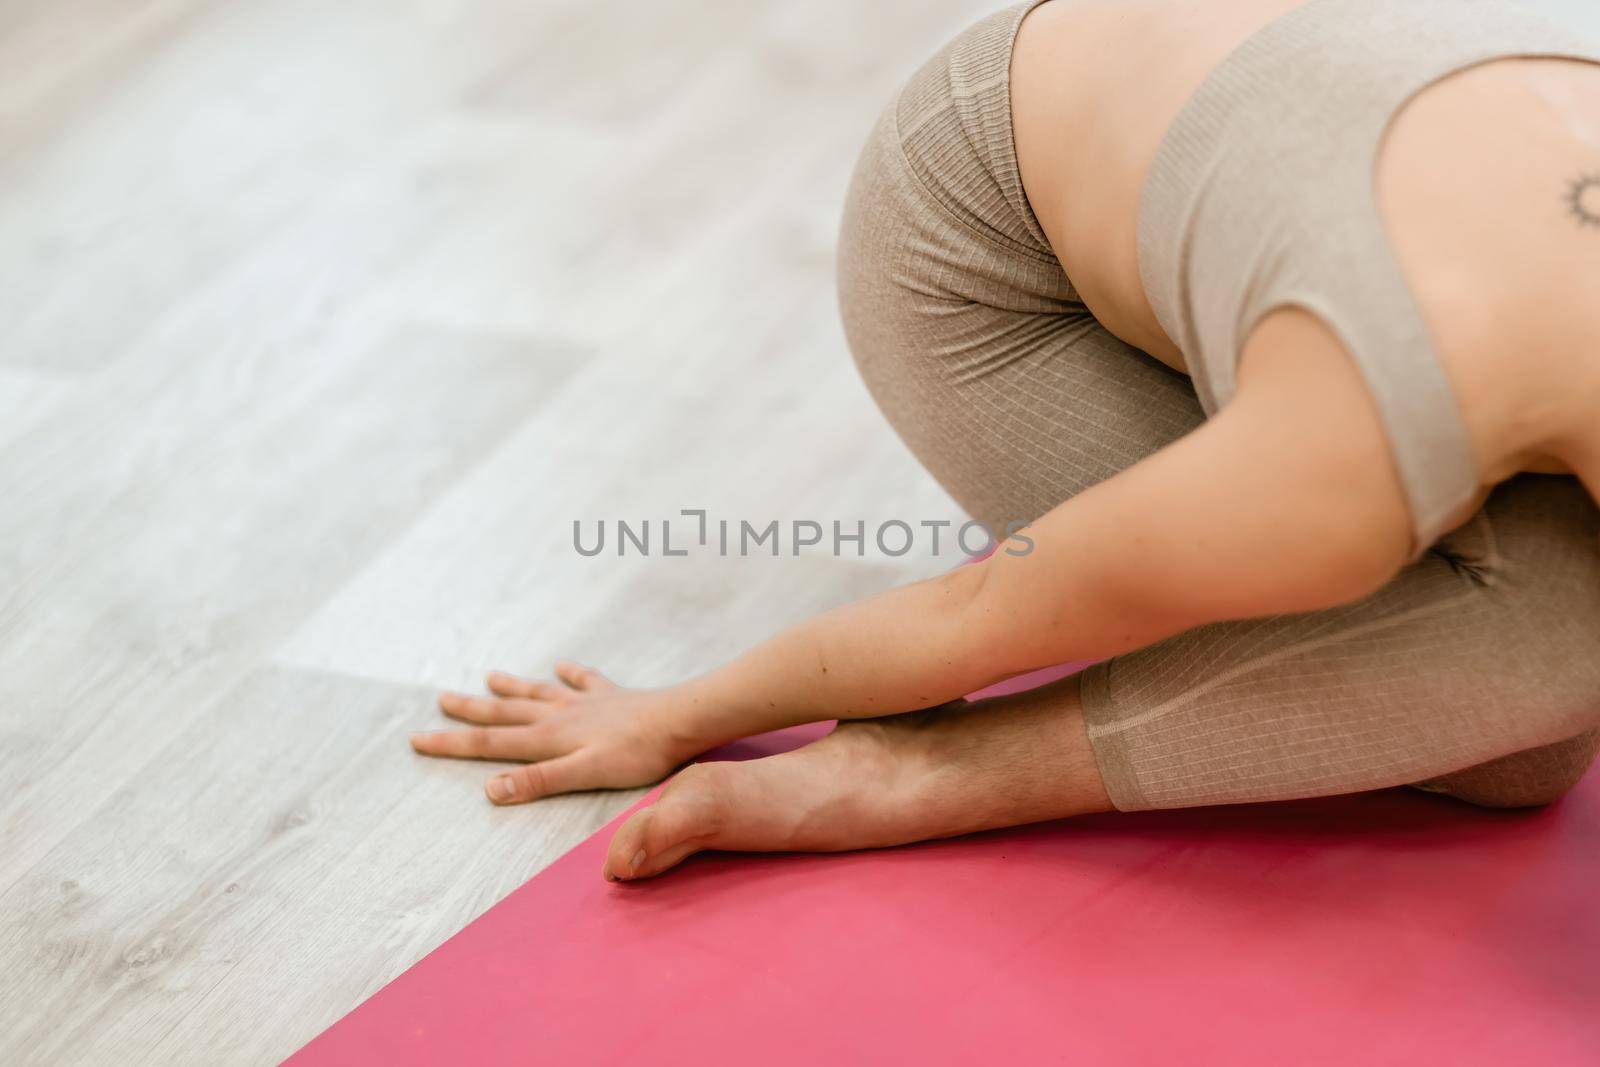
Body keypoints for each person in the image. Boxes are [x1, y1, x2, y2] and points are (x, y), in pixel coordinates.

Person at [411, 0, 1600, 882]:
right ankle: (929, 774)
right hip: (987, 252)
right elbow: (970, 619)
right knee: (1557, 644)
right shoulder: (1346, 453)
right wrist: (677, 711)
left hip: (1269, 152)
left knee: (1522, 747)